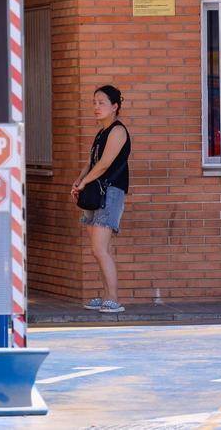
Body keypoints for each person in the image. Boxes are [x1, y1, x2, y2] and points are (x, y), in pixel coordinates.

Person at [71, 85, 131, 314]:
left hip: (110, 193)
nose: (96, 107)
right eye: (94, 102)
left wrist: (85, 182)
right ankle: (105, 294)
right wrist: (78, 181)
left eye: (101, 102)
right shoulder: (101, 132)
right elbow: (91, 162)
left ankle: (113, 297)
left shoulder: (118, 131)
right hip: (94, 193)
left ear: (115, 106)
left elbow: (105, 164)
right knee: (98, 249)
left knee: (100, 248)